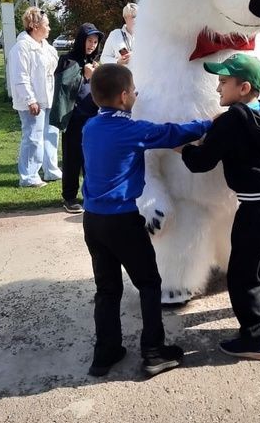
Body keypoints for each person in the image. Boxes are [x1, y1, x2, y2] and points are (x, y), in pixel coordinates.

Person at [82, 63, 212, 378]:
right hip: (122, 220)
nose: (137, 95)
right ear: (125, 95)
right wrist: (209, 123)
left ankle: (105, 352)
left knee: (107, 288)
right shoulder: (131, 129)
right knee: (150, 283)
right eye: (134, 91)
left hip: (92, 220)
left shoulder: (89, 127)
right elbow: (171, 133)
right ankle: (154, 351)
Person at [181, 53, 260, 361]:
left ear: (243, 88)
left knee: (243, 273)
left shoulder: (231, 121)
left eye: (223, 82)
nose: (218, 89)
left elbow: (202, 162)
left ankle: (254, 339)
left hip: (257, 205)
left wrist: (186, 148)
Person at [50, 23, 104, 213]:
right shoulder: (68, 60)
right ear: (82, 40)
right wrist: (86, 76)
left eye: (95, 42)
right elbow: (64, 86)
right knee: (73, 158)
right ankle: (70, 197)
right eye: (89, 40)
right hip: (74, 118)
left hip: (93, 118)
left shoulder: (95, 63)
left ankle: (91, 194)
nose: (92, 45)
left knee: (92, 159)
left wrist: (95, 74)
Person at [8, 7, 62, 187]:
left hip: (48, 98)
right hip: (33, 101)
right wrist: (30, 100)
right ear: (34, 26)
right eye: (46, 25)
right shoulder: (21, 48)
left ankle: (51, 170)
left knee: (50, 135)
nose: (49, 28)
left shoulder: (46, 47)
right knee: (33, 137)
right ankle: (29, 176)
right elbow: (20, 77)